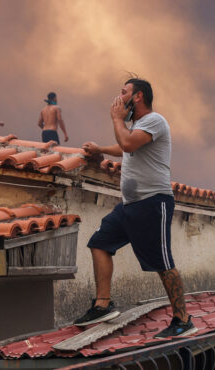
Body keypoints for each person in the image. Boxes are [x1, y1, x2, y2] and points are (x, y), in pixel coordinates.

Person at [79, 78, 196, 338]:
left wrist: (116, 119)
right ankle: (103, 305)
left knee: (163, 264)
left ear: (138, 96)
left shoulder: (155, 121)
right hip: (129, 206)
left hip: (153, 203)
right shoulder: (136, 127)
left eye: (124, 93)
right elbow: (125, 147)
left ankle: (183, 319)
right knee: (99, 243)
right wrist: (101, 149)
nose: (119, 99)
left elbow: (129, 144)